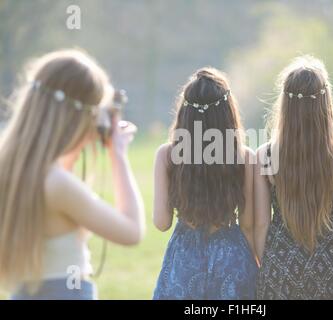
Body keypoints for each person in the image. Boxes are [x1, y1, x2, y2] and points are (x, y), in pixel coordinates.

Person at [0, 49, 146, 300]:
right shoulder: (56, 185)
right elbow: (131, 231)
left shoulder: (16, 171)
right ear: (78, 117)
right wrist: (118, 154)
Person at [255, 55, 333, 299]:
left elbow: (261, 224)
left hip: (280, 266)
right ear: (326, 103)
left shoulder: (264, 156)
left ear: (285, 105)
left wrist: (269, 270)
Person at [152, 68, 257, 299]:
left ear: (184, 114)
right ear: (228, 114)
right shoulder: (245, 157)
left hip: (184, 261)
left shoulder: (167, 155)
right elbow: (249, 223)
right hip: (231, 260)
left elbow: (161, 223)